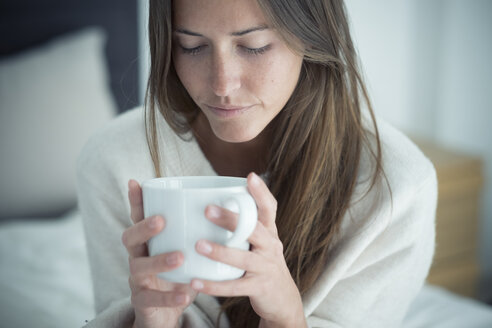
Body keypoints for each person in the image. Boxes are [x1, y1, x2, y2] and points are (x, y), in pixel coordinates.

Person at [76, 0, 437, 327]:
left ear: (312, 38)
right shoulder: (116, 160)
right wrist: (150, 323)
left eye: (254, 46)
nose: (222, 84)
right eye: (192, 46)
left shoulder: (395, 188)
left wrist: (287, 320)